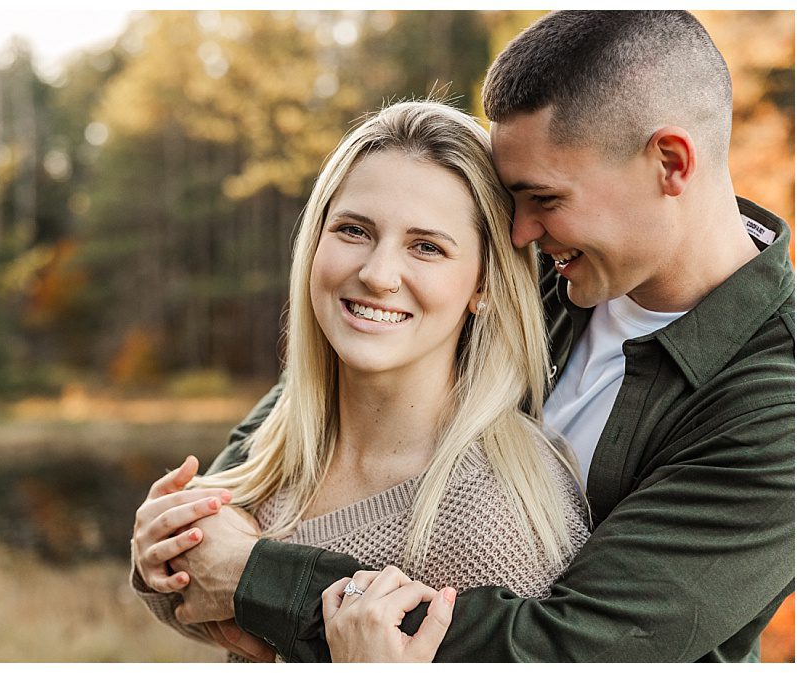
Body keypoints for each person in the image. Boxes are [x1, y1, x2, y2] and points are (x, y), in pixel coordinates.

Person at [133, 10, 794, 663]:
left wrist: (259, 581)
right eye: (512, 200)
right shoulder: (553, 268)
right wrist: (190, 527)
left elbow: (572, 648)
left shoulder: (777, 409)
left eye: (545, 199)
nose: (519, 233)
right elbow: (321, 394)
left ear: (671, 162)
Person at [129, 100, 591, 661]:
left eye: (427, 247)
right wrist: (163, 551)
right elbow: (211, 601)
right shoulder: (283, 445)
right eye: (354, 230)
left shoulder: (492, 519)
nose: (376, 274)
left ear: (484, 285)